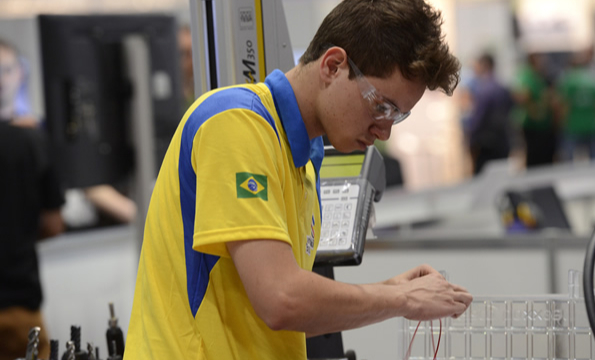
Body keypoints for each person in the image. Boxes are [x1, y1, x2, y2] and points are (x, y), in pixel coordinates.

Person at [124, 0, 473, 359]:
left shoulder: (304, 161)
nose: (384, 131)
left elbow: (297, 307)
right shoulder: (233, 124)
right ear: (333, 66)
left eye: (397, 116)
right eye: (381, 106)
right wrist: (402, 299)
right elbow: (281, 300)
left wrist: (391, 289)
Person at [0, 39, 65, 360]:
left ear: (20, 74)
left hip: (19, 304)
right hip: (18, 301)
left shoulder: (34, 138)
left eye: (6, 69)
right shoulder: (33, 141)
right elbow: (53, 224)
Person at [464, 53, 513, 174]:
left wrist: (470, 141)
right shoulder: (503, 88)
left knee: (484, 184)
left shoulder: (483, 90)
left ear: (484, 65)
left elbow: (477, 120)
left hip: (486, 145)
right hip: (502, 142)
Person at [555, 49, 595, 161]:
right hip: (592, 124)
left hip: (572, 125)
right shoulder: (594, 79)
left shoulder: (568, 79)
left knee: (568, 161)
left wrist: (560, 121)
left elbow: (562, 103)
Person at [512, 53, 557, 168]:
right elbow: (520, 95)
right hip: (532, 124)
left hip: (544, 125)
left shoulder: (541, 76)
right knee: (534, 158)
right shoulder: (527, 76)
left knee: (545, 157)